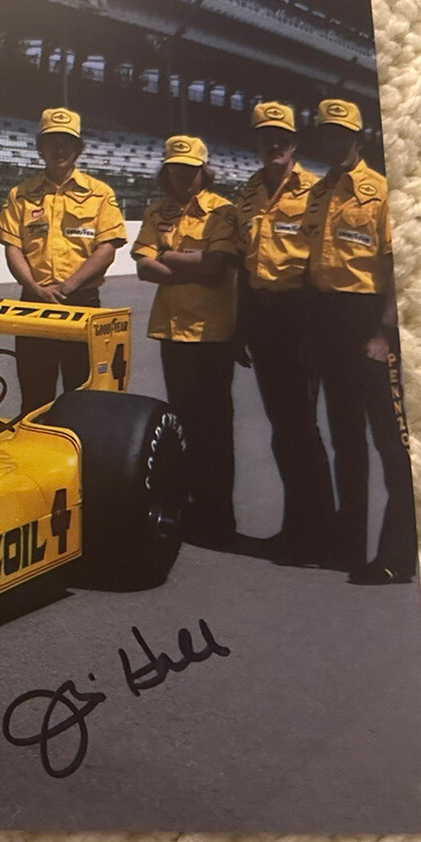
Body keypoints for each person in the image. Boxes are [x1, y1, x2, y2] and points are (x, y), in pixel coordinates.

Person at [301, 98, 417, 584]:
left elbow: (401, 269)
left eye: (341, 134)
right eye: (326, 133)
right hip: (327, 320)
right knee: (345, 440)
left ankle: (397, 558)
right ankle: (350, 546)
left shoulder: (382, 193)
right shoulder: (318, 192)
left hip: (369, 323)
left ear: (357, 139)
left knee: (392, 445)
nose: (332, 141)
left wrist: (385, 333)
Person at [232, 100, 336, 560]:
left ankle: (319, 532)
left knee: (301, 426)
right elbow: (243, 263)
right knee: (283, 425)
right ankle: (300, 527)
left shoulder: (317, 190)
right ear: (256, 143)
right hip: (262, 317)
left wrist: (317, 326)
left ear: (294, 143)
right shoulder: (248, 193)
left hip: (301, 315)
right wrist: (241, 327)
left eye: (281, 138)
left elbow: (325, 261)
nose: (273, 144)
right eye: (265, 138)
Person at [132, 136, 241, 549]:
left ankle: (220, 517)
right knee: (183, 424)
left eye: (189, 169)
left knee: (215, 428)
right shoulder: (156, 211)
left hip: (212, 332)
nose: (181, 176)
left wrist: (169, 256)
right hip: (172, 330)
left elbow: (215, 268)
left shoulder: (222, 211)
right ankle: (192, 508)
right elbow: (143, 267)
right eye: (174, 168)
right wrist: (188, 265)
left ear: (203, 172)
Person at [0, 107, 128, 415]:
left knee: (83, 396)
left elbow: (107, 248)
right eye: (51, 142)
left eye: (67, 142)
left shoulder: (100, 194)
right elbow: (13, 247)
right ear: (40, 148)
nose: (59, 149)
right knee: (34, 397)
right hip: (34, 304)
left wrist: (68, 286)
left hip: (81, 303)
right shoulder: (20, 194)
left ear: (78, 149)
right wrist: (34, 287)